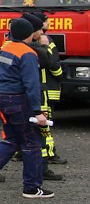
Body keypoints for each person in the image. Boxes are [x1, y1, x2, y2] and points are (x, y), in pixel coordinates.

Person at [0, 18, 53, 199]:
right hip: (20, 100)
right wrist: (38, 111)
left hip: (3, 98)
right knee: (32, 143)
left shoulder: (5, 49)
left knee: (12, 140)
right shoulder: (28, 54)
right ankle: (31, 187)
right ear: (30, 34)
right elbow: (31, 84)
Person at [22, 12, 64, 181]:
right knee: (41, 130)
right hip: (39, 93)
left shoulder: (14, 46)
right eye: (40, 28)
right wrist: (45, 46)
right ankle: (43, 166)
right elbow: (51, 63)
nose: (42, 32)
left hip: (30, 94)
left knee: (21, 136)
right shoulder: (36, 46)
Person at [35, 12, 67, 167]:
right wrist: (60, 75)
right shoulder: (46, 41)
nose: (49, 23)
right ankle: (49, 153)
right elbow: (54, 65)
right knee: (44, 123)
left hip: (41, 89)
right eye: (46, 21)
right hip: (47, 89)